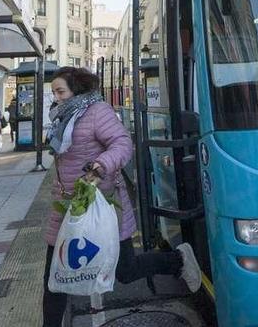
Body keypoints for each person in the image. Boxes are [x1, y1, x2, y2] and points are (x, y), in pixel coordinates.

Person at [41, 67, 201, 327]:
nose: (56, 98)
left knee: (125, 271)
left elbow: (122, 144)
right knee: (55, 277)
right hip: (67, 206)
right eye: (54, 93)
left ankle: (178, 260)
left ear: (76, 89)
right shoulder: (62, 117)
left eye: (60, 91)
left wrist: (100, 165)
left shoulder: (97, 112)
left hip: (103, 204)